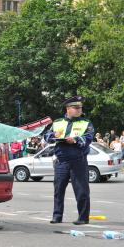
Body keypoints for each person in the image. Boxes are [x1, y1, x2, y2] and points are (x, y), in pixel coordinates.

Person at [44, 96, 94, 225]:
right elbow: (47, 135)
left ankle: (83, 218)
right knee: (58, 190)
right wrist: (52, 136)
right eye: (76, 108)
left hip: (78, 161)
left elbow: (88, 137)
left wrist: (76, 140)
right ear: (68, 108)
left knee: (82, 191)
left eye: (80, 108)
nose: (79, 110)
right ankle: (57, 216)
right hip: (61, 161)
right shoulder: (58, 122)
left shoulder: (85, 122)